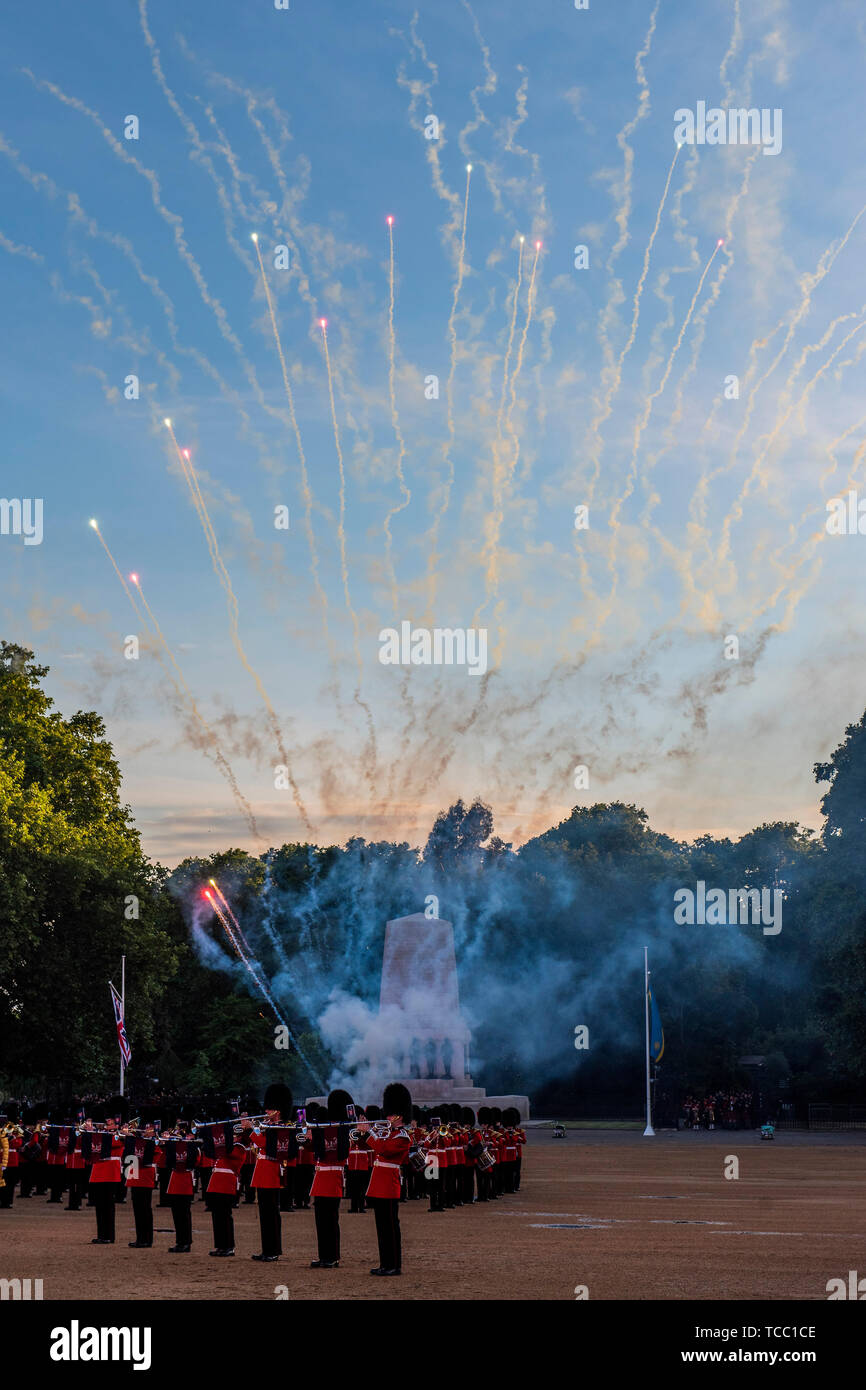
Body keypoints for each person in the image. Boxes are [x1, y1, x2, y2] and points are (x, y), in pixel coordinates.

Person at [359, 1083, 412, 1277]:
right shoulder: (388, 1133)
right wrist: (363, 1133)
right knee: (381, 1227)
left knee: (390, 1226)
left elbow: (385, 1150)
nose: (387, 1117)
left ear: (399, 1115)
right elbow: (372, 1147)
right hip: (379, 1184)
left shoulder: (403, 1137)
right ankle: (385, 1263)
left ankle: (394, 1265)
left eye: (390, 1114)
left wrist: (370, 1132)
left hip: (389, 1184)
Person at [309, 1089, 351, 1269]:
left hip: (333, 1176)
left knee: (331, 1219)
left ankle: (332, 1257)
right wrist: (308, 1137)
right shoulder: (323, 1127)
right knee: (321, 1219)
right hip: (321, 1177)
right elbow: (316, 1149)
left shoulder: (343, 1129)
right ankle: (323, 1256)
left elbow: (341, 1152)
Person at [250, 1082, 293, 1262]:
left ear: (278, 1110)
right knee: (265, 1213)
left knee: (271, 1213)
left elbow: (268, 1147)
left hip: (271, 1171)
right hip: (262, 1171)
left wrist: (253, 1130)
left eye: (270, 1109)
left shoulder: (283, 1127)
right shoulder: (269, 1126)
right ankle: (267, 1249)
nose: (266, 1112)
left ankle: (273, 1250)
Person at [204, 1122, 247, 1257]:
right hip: (216, 1184)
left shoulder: (239, 1148)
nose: (233, 1137)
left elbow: (228, 1151)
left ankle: (229, 1246)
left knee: (225, 1217)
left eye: (235, 1136)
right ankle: (220, 1246)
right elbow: (211, 1151)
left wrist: (225, 1134)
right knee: (217, 1217)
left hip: (227, 1185)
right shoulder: (227, 1147)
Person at [125, 1123, 158, 1248]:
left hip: (145, 1176)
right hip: (135, 1175)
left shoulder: (154, 1142)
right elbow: (128, 1155)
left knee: (145, 1209)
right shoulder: (136, 1140)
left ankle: (147, 1239)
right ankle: (140, 1238)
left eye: (149, 1130)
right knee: (137, 1209)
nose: (145, 1132)